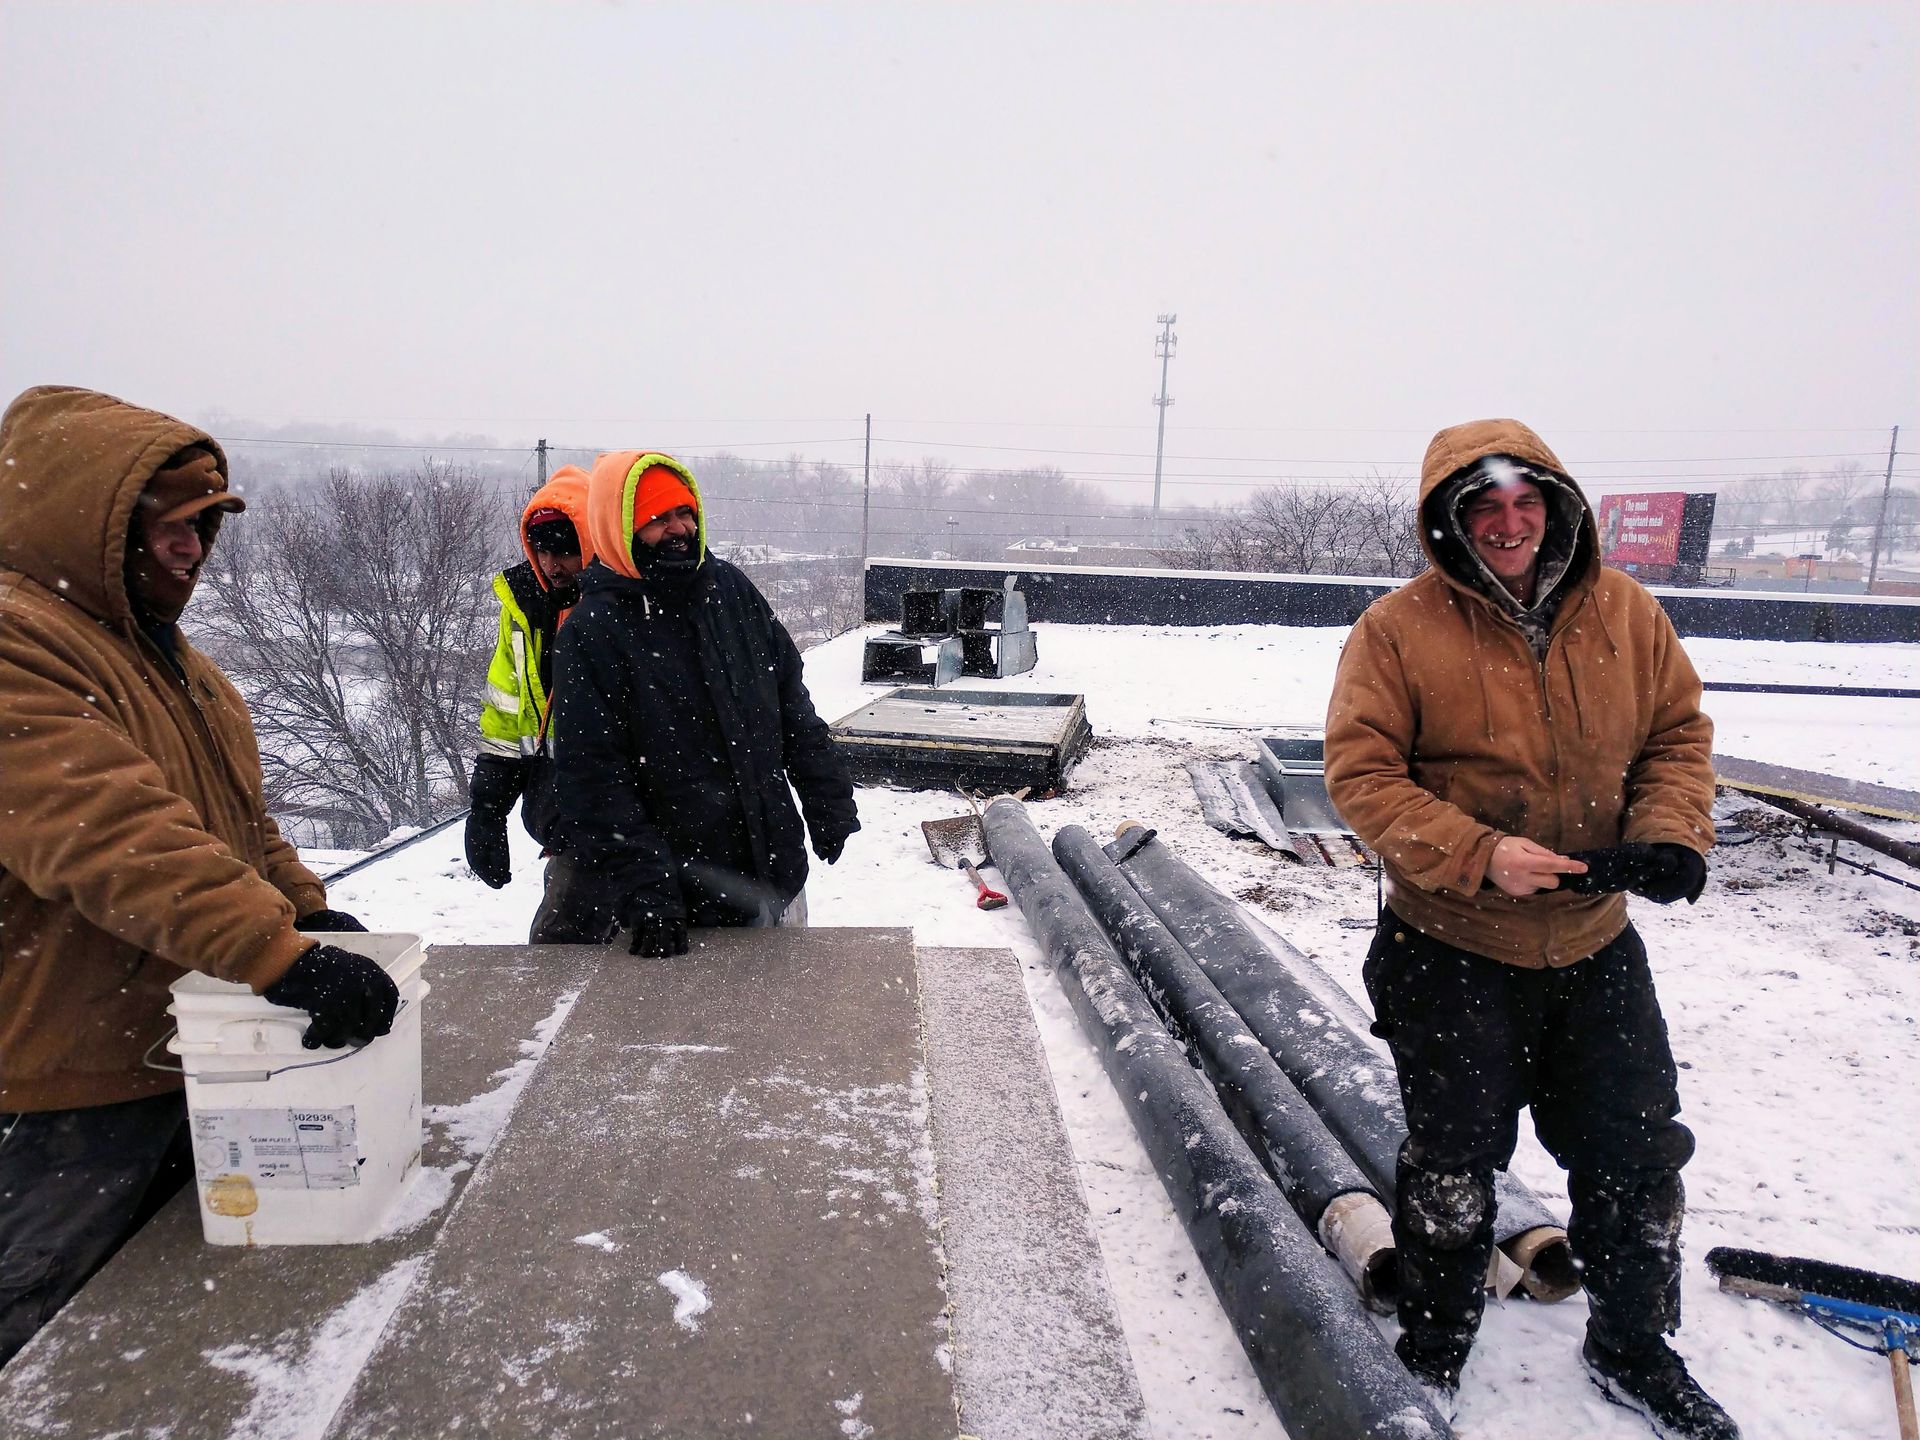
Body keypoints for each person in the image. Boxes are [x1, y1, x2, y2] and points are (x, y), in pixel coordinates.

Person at [1324, 419, 1733, 1439]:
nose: (1508, 523)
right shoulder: (1398, 630)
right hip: (1450, 941)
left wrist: (1671, 832)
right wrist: (1479, 852)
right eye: (1484, 507)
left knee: (1637, 1159)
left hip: (1594, 944)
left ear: (1555, 506)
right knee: (1457, 1164)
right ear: (1450, 522)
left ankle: (1633, 1347)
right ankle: (1435, 1342)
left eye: (1524, 501)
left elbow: (1678, 734)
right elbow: (1362, 777)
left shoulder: (1627, 615)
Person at [0, 386, 399, 1365]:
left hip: (185, 1051)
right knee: (44, 1346)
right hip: (65, 1091)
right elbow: (110, 832)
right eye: (167, 524)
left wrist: (307, 909)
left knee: (159, 1342)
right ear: (86, 521)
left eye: (205, 527)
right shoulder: (19, 645)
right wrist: (271, 950)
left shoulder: (169, 661)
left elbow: (232, 820)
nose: (192, 549)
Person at [542, 449, 858, 952]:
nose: (678, 528)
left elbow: (792, 708)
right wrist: (648, 893)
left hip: (774, 872)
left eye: (684, 511)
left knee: (787, 1018)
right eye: (656, 519)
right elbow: (595, 778)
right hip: (680, 905)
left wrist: (828, 800)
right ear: (616, 526)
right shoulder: (593, 631)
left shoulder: (731, 591)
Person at [462, 465, 595, 935]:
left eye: (565, 550)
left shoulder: (622, 607)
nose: (552, 563)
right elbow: (505, 714)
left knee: (574, 953)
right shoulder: (523, 609)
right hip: (562, 820)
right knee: (565, 955)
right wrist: (488, 807)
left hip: (621, 825)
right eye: (542, 550)